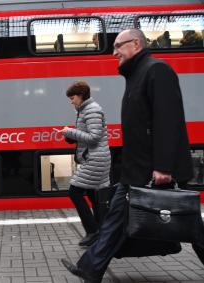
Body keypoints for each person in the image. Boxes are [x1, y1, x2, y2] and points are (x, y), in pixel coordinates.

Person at [60, 28, 204, 283]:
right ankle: (90, 269)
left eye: (118, 46)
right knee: (115, 219)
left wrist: (163, 167)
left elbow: (167, 121)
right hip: (136, 168)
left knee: (189, 223)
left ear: (135, 43)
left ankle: (91, 268)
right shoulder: (137, 75)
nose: (113, 52)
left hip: (154, 168)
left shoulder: (157, 71)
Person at [57, 81, 111, 247]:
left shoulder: (92, 110)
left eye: (72, 97)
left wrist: (70, 131)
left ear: (80, 96)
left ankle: (92, 231)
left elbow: (94, 137)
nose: (71, 101)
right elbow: (87, 134)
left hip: (95, 159)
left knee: (74, 192)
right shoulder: (85, 110)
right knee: (94, 196)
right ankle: (101, 231)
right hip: (95, 158)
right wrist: (69, 136)